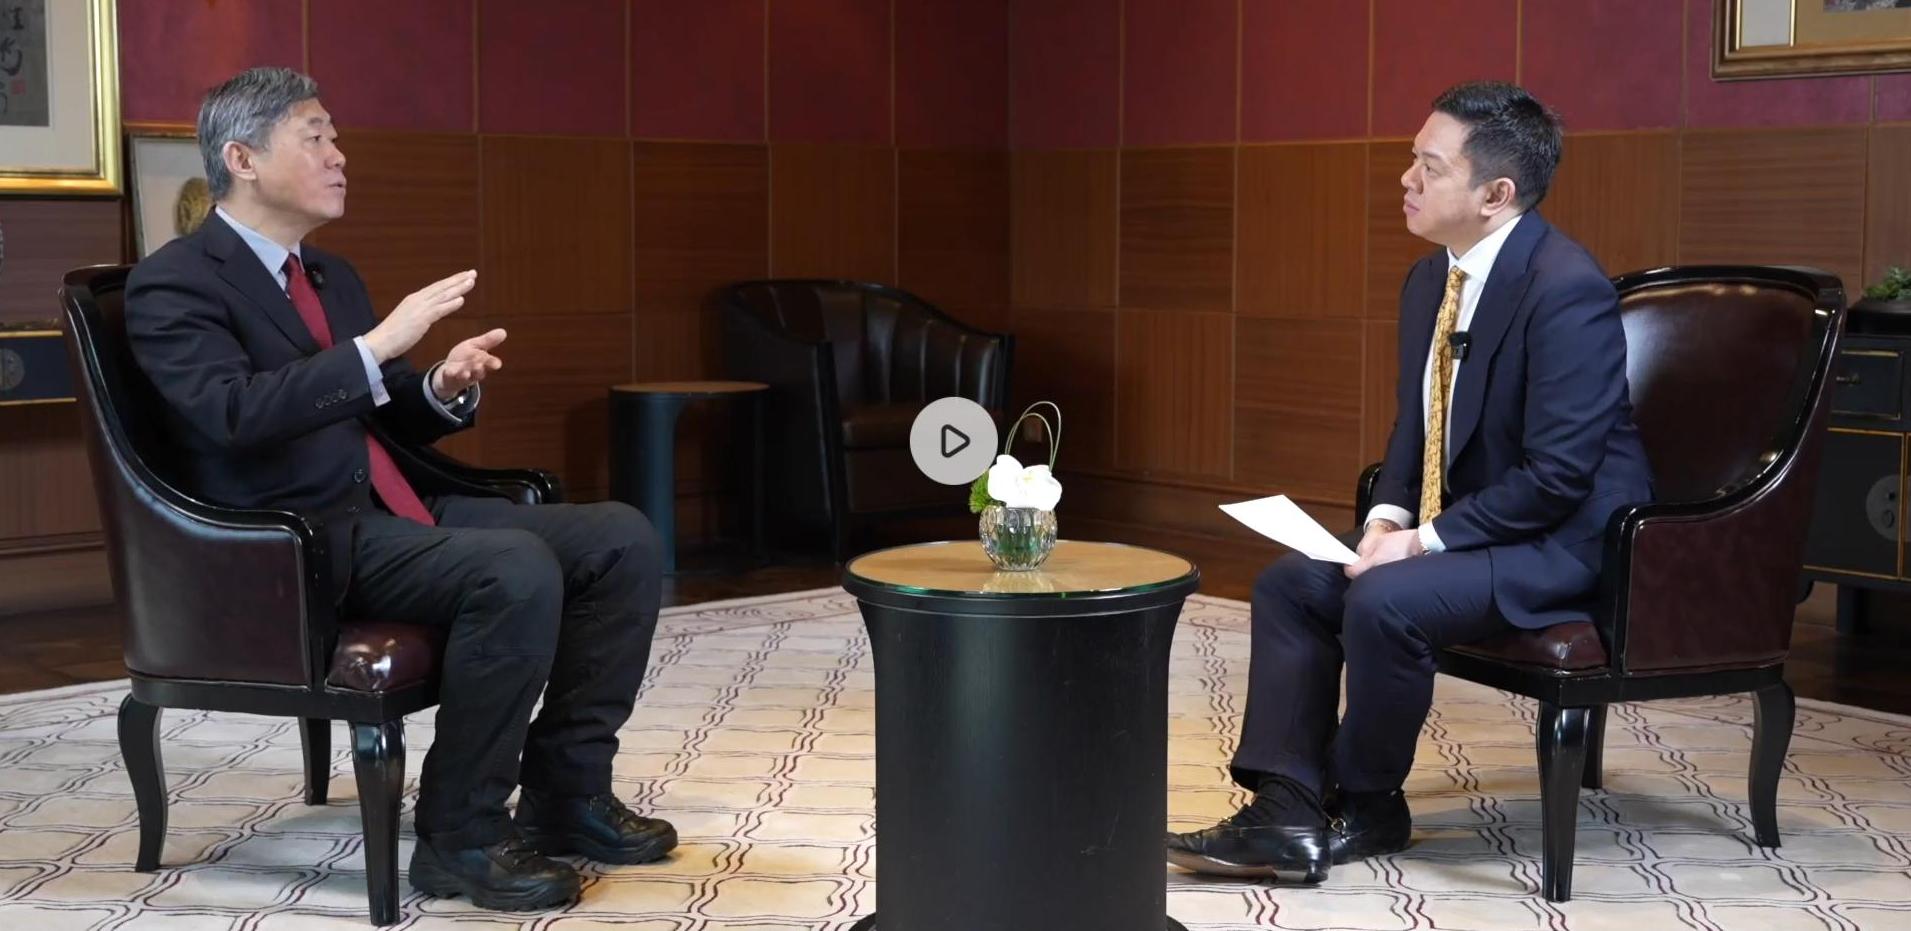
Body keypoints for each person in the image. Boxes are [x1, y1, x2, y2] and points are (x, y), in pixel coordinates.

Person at [126, 67, 676, 912]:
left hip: (391, 509)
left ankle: (566, 791)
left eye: (335, 136)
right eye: (315, 137)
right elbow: (230, 415)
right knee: (515, 567)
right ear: (242, 158)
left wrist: (439, 387)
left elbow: (375, 413)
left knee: (621, 538)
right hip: (297, 539)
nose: (339, 155)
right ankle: (460, 834)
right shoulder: (175, 282)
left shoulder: (331, 276)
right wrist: (376, 348)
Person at [1166, 81, 1654, 883]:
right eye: (1411, 160)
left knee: (1384, 598)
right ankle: (1284, 808)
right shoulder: (1431, 280)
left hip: (1558, 542)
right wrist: (1385, 518)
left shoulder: (1566, 289)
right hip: (1472, 525)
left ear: (1495, 194)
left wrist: (1421, 543)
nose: (1406, 179)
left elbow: (1559, 477)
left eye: (1430, 166)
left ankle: (1368, 802)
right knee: (1292, 582)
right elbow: (1417, 424)